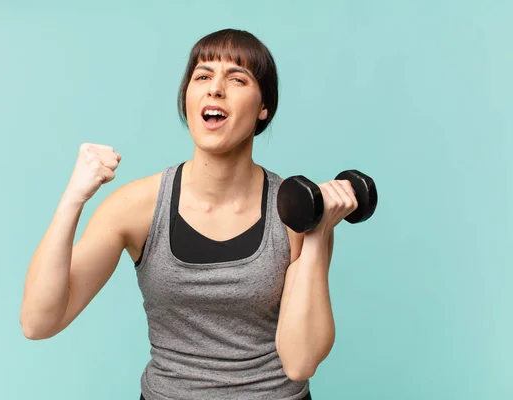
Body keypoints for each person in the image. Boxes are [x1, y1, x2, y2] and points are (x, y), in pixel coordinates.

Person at [19, 28, 358, 400]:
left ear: (264, 108)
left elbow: (300, 362)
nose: (215, 88)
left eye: (237, 78)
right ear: (188, 99)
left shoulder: (294, 214)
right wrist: (73, 199)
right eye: (202, 76)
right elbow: (39, 322)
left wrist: (318, 234)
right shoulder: (137, 207)